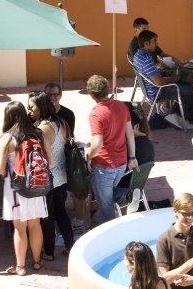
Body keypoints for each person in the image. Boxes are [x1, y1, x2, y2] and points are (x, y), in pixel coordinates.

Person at [0, 101, 49, 276]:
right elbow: (50, 160)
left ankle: (20, 267)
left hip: (16, 189)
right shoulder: (38, 133)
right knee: (35, 224)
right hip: (37, 185)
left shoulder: (7, 138)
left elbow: (0, 168)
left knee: (20, 228)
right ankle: (36, 261)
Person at [27, 91, 73, 260]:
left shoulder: (42, 128)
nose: (29, 110)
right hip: (61, 175)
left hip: (48, 178)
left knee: (47, 216)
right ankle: (70, 246)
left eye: (32, 107)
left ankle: (48, 251)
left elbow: (37, 155)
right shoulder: (60, 122)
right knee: (61, 212)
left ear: (41, 107)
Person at [86, 75, 137, 224]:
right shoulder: (121, 106)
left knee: (106, 207)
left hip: (104, 165)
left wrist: (88, 157)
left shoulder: (96, 113)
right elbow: (130, 135)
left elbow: (97, 142)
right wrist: (132, 157)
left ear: (92, 94)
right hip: (121, 163)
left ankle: (108, 236)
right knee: (111, 200)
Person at [133, 30, 193, 127]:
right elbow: (159, 82)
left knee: (186, 83)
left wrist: (165, 74)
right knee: (191, 90)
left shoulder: (138, 55)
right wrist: (174, 78)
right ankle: (184, 119)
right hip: (157, 92)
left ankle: (176, 113)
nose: (157, 44)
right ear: (146, 44)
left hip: (149, 90)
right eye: (154, 41)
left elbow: (152, 75)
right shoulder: (146, 59)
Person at [43, 82, 85, 234]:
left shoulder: (68, 114)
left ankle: (80, 221)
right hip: (49, 159)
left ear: (60, 95)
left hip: (64, 156)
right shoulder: (41, 113)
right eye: (50, 94)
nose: (53, 97)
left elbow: (69, 137)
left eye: (56, 94)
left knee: (79, 185)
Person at [157, 193, 193, 288]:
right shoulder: (164, 240)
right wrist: (192, 262)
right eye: (185, 213)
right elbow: (164, 279)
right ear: (175, 211)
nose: (190, 217)